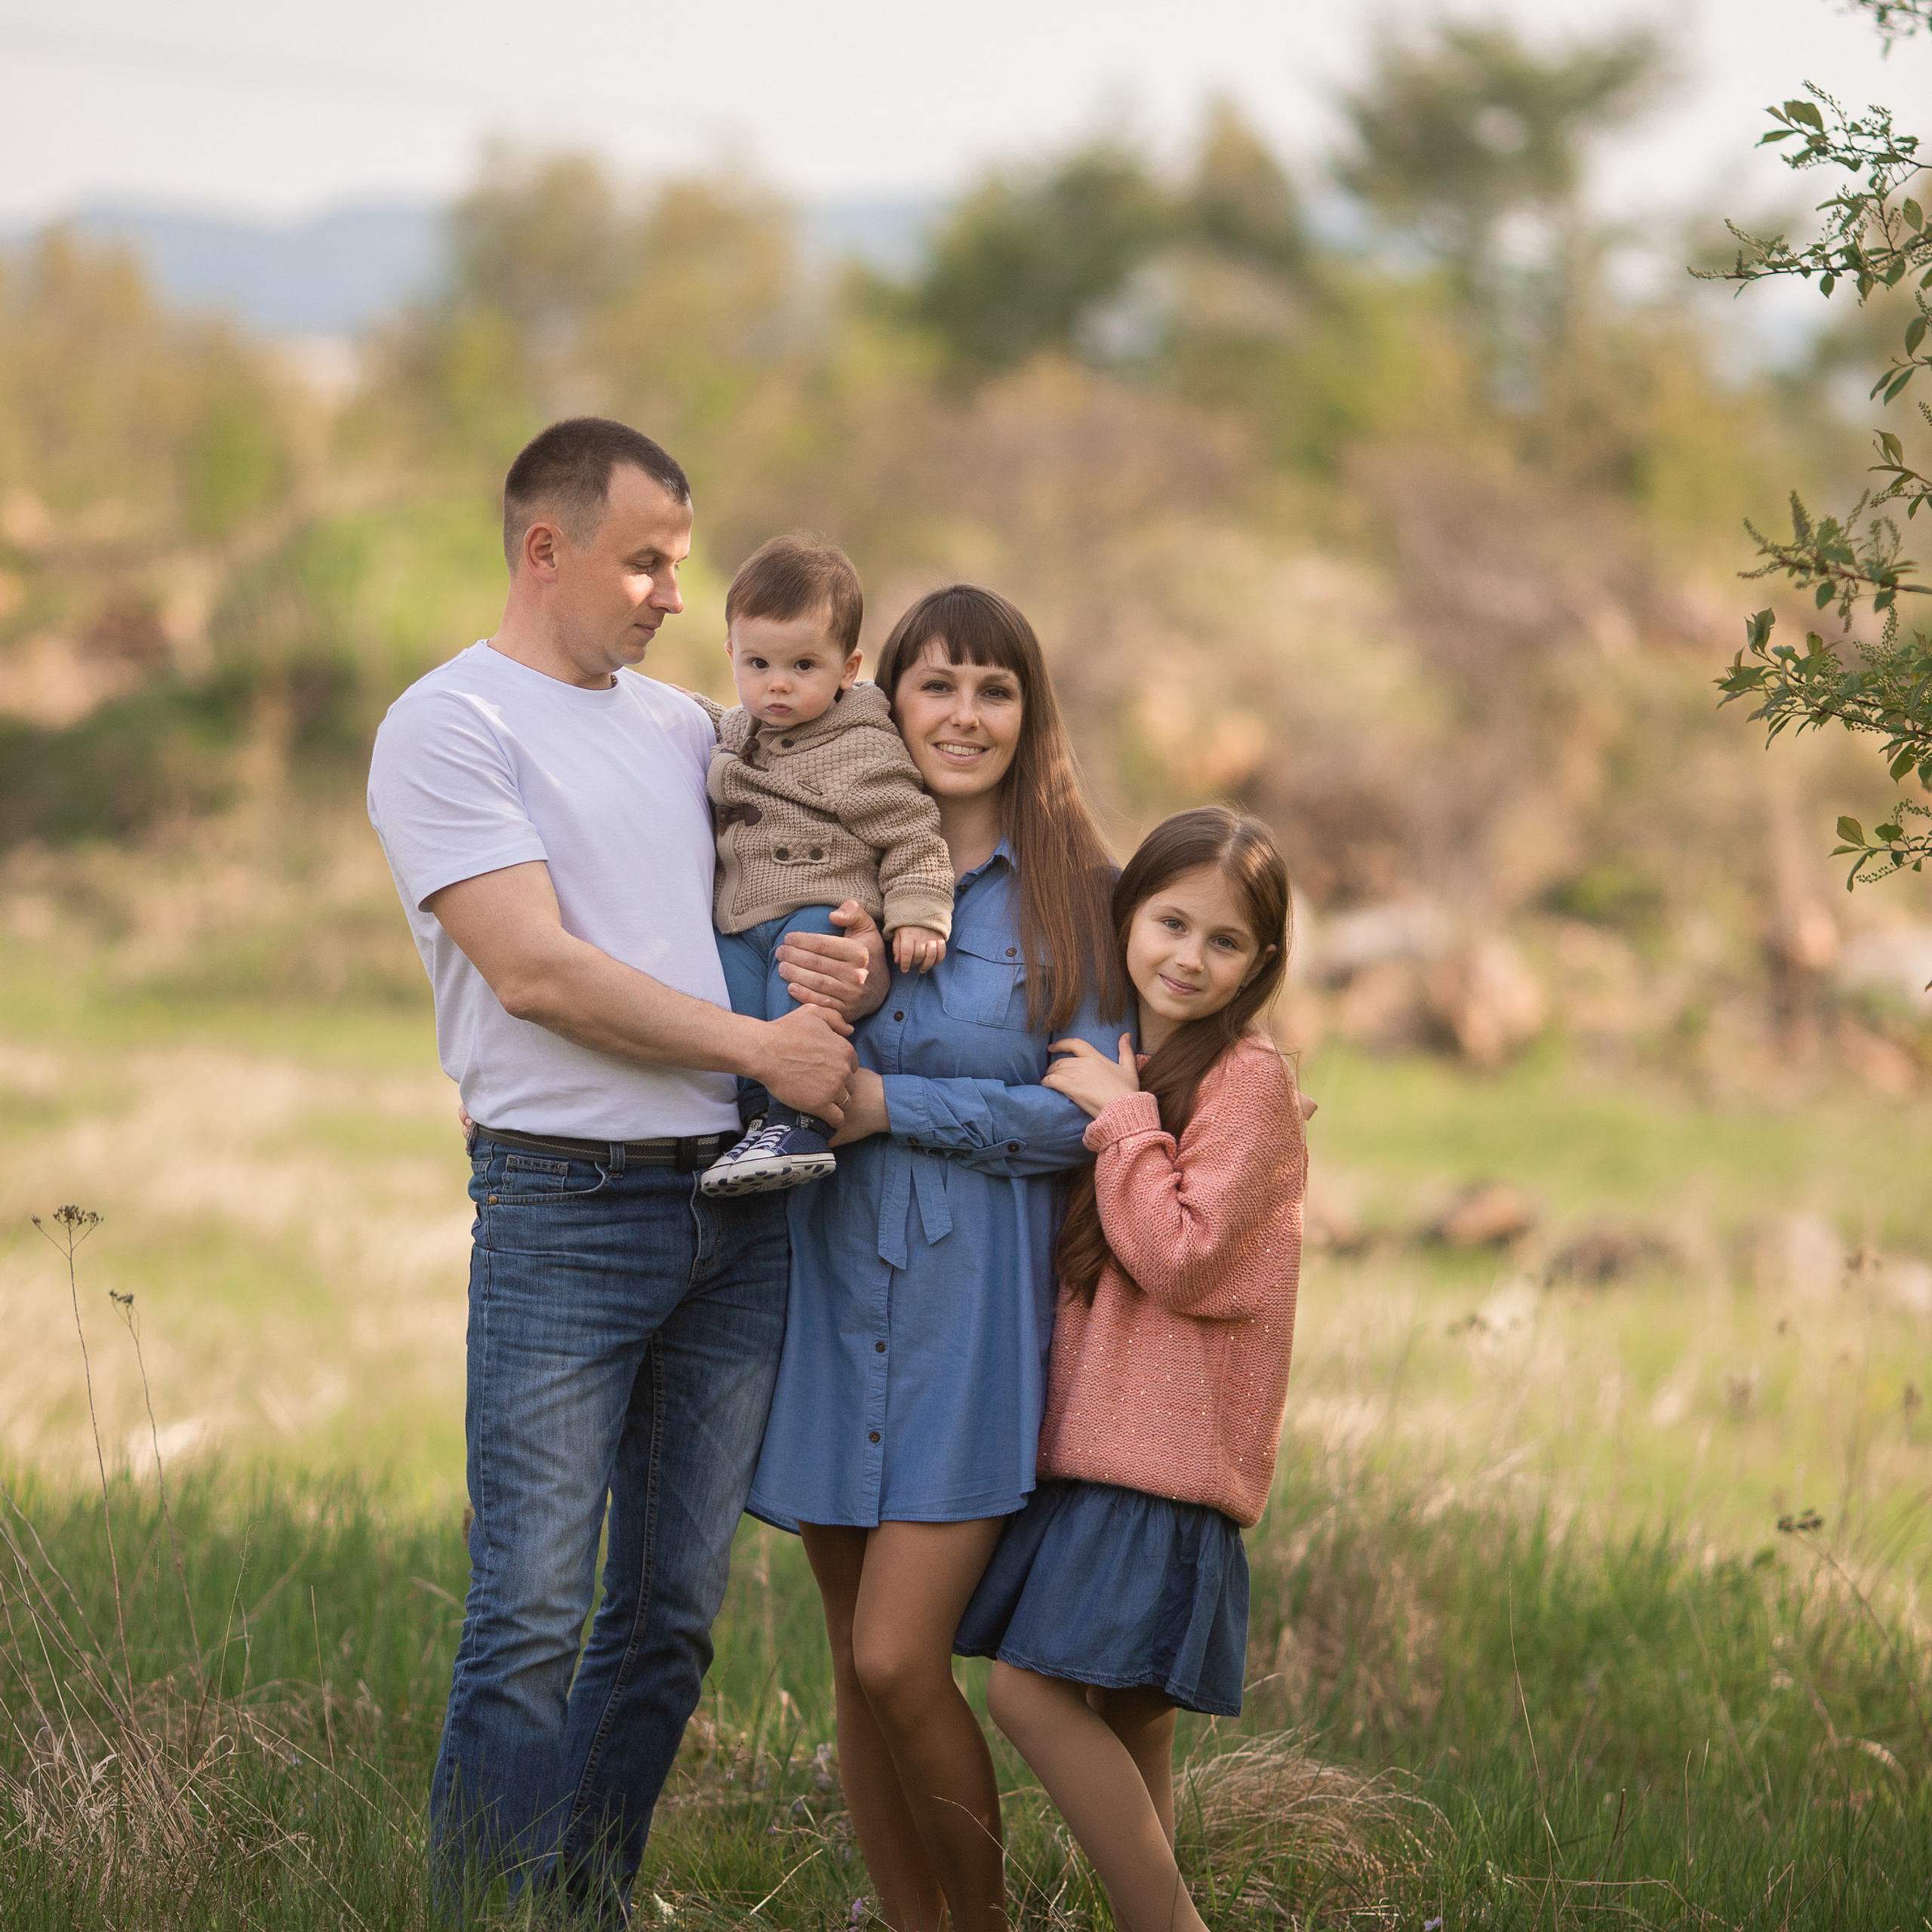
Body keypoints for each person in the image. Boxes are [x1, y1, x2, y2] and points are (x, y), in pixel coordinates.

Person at [363, 417, 884, 1915]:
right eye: (647, 557)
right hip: (566, 1211)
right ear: (546, 549)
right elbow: (533, 970)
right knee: (528, 1611)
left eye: (680, 558)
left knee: (666, 1616)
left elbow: (809, 831)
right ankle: (482, 1907)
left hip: (736, 1205)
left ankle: (576, 1898)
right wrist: (758, 1048)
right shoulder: (451, 724)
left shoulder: (677, 728)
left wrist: (841, 936)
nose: (675, 590)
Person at [747, 584, 1127, 1932]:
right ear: (883, 698)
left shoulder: (1084, 899)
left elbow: (1084, 1117)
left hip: (976, 1319)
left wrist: (893, 1107)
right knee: (856, 1670)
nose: (964, 716)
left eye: (995, 689)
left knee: (908, 1657)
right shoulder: (818, 865)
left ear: (1030, 715)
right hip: (826, 1297)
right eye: (938, 686)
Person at [956, 807, 1305, 1932]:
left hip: (1160, 1456)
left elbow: (1186, 1258)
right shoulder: (1120, 1048)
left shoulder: (1244, 1082)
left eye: (1224, 942)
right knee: (1129, 1718)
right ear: (1127, 918)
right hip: (1093, 1440)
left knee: (1029, 1691)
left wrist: (1126, 1124)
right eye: (1170, 922)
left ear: (1261, 965)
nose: (1188, 958)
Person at [691, 534, 955, 1198]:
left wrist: (920, 911)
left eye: (804, 665)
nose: (777, 685)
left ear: (847, 667)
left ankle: (800, 1119)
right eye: (758, 663)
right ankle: (757, 1120)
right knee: (730, 1011)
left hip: (819, 908)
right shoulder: (734, 730)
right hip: (741, 921)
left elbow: (913, 833)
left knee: (803, 997)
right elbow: (697, 715)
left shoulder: (861, 748)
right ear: (731, 655)